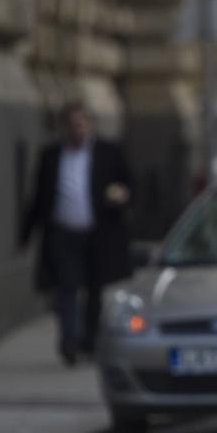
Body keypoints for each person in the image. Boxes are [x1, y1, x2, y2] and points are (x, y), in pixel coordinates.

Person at [21, 102, 134, 365]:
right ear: (64, 128)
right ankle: (69, 341)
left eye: (82, 124)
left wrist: (122, 195)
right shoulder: (51, 156)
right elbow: (38, 197)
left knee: (94, 289)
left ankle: (90, 341)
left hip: (97, 233)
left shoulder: (108, 152)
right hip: (63, 233)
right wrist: (25, 234)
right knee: (66, 288)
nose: (77, 130)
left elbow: (128, 184)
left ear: (90, 125)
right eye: (72, 125)